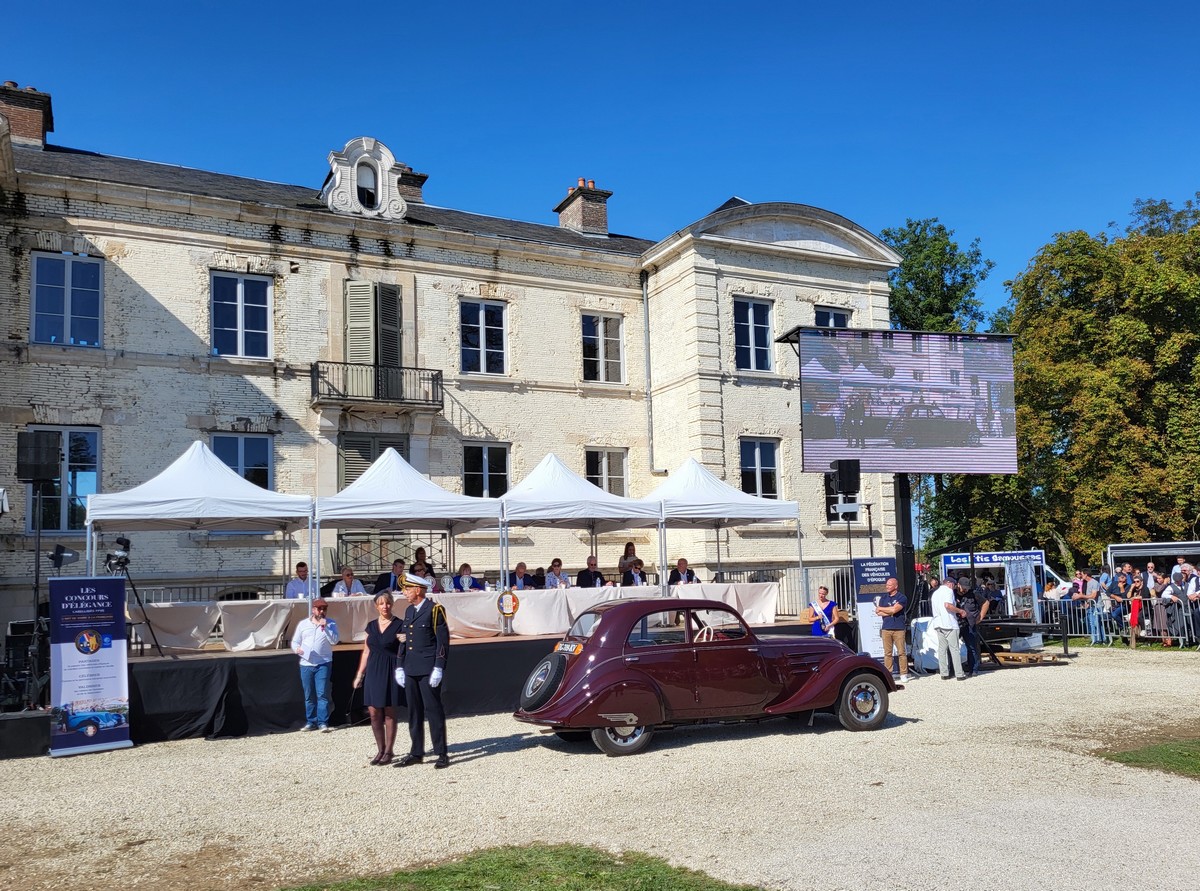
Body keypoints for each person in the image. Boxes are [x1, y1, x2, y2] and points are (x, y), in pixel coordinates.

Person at [394, 572, 450, 769]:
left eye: (407, 589)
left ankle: (441, 752)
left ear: (417, 590)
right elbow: (405, 639)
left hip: (427, 668)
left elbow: (443, 641)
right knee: (414, 712)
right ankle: (416, 751)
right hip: (410, 667)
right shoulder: (409, 611)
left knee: (433, 710)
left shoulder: (434, 610)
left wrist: (438, 667)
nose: (404, 592)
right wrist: (399, 666)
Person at [352, 591, 403, 764]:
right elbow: (366, 651)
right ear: (376, 606)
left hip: (391, 669)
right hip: (373, 669)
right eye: (381, 604)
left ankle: (389, 751)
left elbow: (406, 648)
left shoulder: (399, 625)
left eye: (387, 603)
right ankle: (380, 749)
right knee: (374, 712)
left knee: (389, 711)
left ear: (392, 604)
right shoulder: (371, 626)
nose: (385, 606)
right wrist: (360, 674)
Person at [291, 598, 339, 731]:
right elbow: (295, 641)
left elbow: (334, 641)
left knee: (322, 694)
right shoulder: (303, 624)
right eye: (319, 609)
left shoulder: (331, 623)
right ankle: (311, 721)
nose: (322, 611)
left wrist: (326, 628)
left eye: (324, 609)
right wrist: (297, 649)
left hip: (323, 663)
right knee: (308, 695)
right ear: (313, 610)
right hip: (306, 664)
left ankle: (323, 722)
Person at [875, 577, 908, 682]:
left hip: (899, 628)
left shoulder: (901, 597)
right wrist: (889, 611)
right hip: (886, 628)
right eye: (887, 585)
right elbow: (878, 612)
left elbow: (895, 609)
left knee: (901, 652)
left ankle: (903, 673)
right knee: (887, 653)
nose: (887, 586)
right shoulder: (883, 598)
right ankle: (889, 673)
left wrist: (885, 609)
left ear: (895, 586)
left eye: (889, 585)